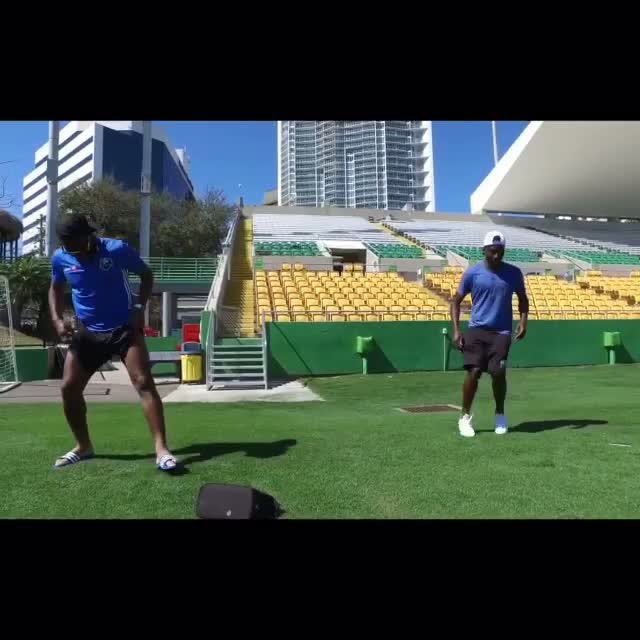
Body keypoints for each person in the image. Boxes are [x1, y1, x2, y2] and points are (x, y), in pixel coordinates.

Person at [48, 213, 178, 471]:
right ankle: (83, 446)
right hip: (88, 332)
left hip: (124, 328)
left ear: (88, 236)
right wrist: (57, 319)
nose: (73, 252)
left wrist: (139, 307)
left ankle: (162, 449)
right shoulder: (60, 258)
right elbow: (55, 288)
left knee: (143, 382)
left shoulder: (117, 250)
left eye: (76, 244)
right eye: (67, 246)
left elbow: (146, 275)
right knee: (69, 388)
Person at [449, 230, 529, 438]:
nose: (497, 255)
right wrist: (456, 331)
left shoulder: (514, 273)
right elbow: (455, 301)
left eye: (500, 251)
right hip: (477, 329)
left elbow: (523, 298)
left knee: (498, 373)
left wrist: (523, 321)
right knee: (474, 371)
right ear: (484, 250)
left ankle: (500, 414)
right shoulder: (473, 273)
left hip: (501, 332)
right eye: (493, 251)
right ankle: (465, 417)